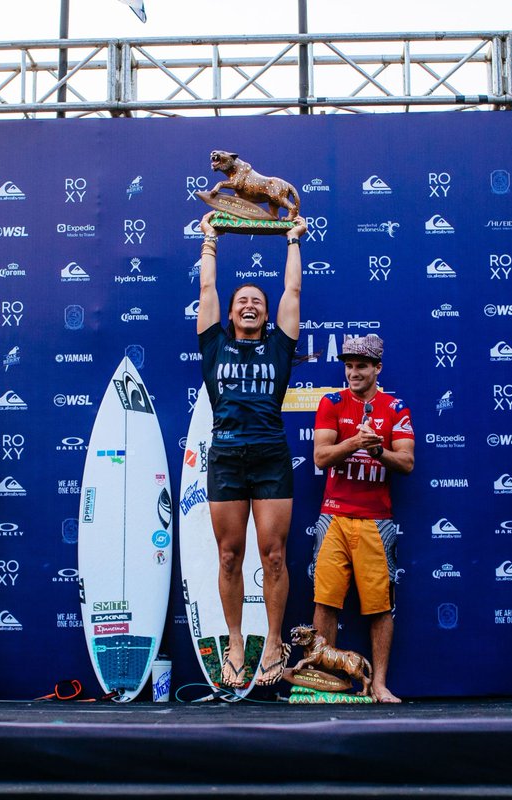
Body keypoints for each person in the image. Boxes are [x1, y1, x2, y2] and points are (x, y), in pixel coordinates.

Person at [197, 208, 308, 689]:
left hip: (269, 457)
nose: (248, 305)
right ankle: (237, 640)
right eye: (241, 300)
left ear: (264, 314)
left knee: (275, 555)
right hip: (225, 456)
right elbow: (206, 292)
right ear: (231, 311)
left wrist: (293, 241)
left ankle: (276, 639)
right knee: (228, 556)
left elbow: (293, 293)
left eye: (255, 302)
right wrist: (209, 242)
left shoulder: (281, 346)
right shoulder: (213, 344)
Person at [310, 334, 414, 704]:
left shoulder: (396, 406)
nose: (353, 372)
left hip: (376, 520)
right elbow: (321, 457)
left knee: (380, 605)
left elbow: (407, 462)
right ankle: (323, 683)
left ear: (377, 368)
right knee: (325, 601)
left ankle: (380, 684)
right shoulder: (332, 402)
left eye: (361, 366)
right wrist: (354, 443)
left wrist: (378, 450)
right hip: (334, 516)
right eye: (349, 366)